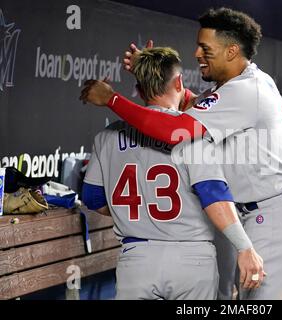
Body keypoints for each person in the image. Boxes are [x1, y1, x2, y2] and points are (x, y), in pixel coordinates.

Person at [80, 7, 282, 300]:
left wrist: (112, 99)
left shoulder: (246, 90)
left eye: (206, 48)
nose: (197, 54)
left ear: (232, 51)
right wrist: (156, 76)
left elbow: (175, 129)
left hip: (274, 216)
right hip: (261, 215)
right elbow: (193, 106)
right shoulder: (238, 85)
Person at [81, 47, 264, 300]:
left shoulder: (107, 137)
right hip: (192, 258)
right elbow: (213, 194)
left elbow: (93, 200)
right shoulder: (193, 133)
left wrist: (138, 210)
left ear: (140, 89)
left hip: (136, 258)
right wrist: (244, 246)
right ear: (179, 82)